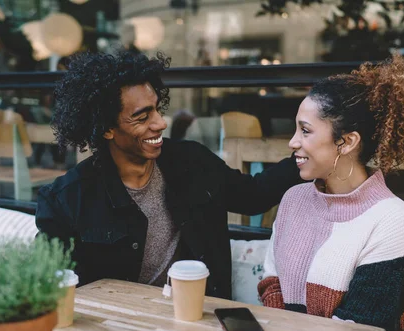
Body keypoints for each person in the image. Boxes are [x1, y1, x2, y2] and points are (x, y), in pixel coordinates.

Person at [35, 51, 303, 299]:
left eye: (156, 109)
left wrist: (303, 158)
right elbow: (45, 286)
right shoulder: (66, 200)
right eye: (142, 117)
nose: (161, 123)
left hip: (198, 319)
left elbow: (252, 196)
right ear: (106, 129)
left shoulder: (193, 162)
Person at [257, 55, 404, 331]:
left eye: (305, 131)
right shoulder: (293, 199)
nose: (293, 142)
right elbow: (271, 284)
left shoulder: (391, 219)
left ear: (347, 142)